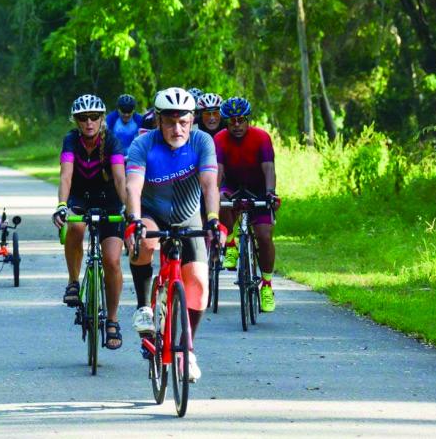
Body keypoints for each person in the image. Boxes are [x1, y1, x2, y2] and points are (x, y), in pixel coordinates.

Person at [124, 87, 225, 382]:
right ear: (158, 120)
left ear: (192, 120)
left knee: (200, 287)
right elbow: (133, 186)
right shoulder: (143, 145)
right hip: (150, 213)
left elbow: (209, 185)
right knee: (145, 238)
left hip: (187, 216)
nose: (177, 128)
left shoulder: (202, 141)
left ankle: (187, 350)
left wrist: (214, 220)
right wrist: (133, 220)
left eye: (183, 121)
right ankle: (144, 306)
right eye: (170, 121)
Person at [52, 94, 127, 349]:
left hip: (111, 202)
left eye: (94, 117)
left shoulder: (114, 142)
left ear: (102, 119)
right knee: (75, 225)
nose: (89, 122)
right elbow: (65, 176)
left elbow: (119, 179)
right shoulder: (71, 140)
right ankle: (74, 282)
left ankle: (113, 320)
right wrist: (62, 206)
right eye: (83, 118)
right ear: (76, 121)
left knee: (112, 260)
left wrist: (130, 208)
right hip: (80, 198)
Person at [214, 97, 281, 313]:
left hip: (258, 188)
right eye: (232, 121)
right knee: (221, 200)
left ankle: (267, 285)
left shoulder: (261, 137)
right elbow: (218, 170)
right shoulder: (220, 139)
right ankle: (231, 242)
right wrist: (212, 193)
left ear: (247, 120)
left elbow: (269, 167)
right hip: (231, 185)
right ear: (226, 122)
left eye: (241, 120)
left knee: (264, 236)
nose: (236, 125)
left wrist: (270, 193)